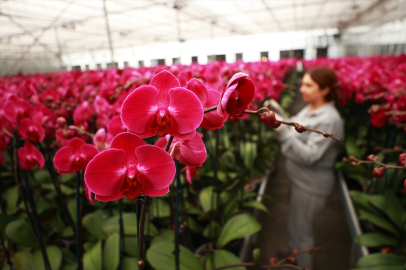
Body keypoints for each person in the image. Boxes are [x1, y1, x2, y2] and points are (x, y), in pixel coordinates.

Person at [268, 67, 344, 270]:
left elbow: (309, 156)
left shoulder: (329, 119)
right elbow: (296, 128)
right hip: (299, 181)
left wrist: (281, 130)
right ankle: (293, 256)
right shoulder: (311, 108)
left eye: (308, 85)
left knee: (301, 233)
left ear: (325, 89)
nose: (302, 89)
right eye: (302, 83)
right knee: (295, 225)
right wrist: (280, 114)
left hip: (311, 187)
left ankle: (301, 264)